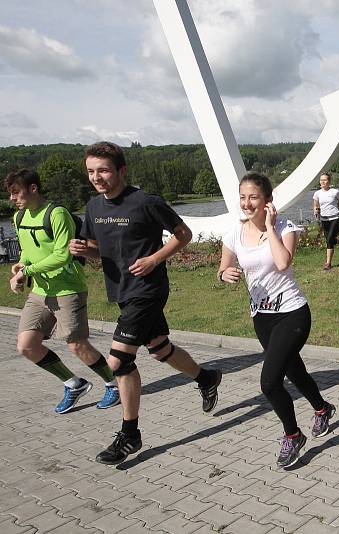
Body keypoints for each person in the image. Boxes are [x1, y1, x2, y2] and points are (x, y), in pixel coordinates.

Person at [69, 141, 223, 465]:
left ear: (121, 171)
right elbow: (101, 251)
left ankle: (130, 434)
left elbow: (184, 234)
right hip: (122, 291)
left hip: (149, 289)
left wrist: (154, 258)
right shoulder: (93, 208)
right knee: (159, 349)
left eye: (104, 170)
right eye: (91, 171)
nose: (97, 177)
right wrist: (86, 252)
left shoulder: (145, 202)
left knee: (119, 362)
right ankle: (206, 378)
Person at [218, 172, 336, 469]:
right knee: (294, 372)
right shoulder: (234, 233)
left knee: (270, 383)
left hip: (293, 314)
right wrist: (225, 274)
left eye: (253, 197)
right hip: (262, 318)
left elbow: (283, 262)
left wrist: (269, 226)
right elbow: (223, 266)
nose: (247, 203)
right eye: (243, 197)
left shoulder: (286, 227)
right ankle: (322, 408)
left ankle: (292, 435)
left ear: (267, 201)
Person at [6, 169, 119, 414]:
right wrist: (19, 269)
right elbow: (27, 250)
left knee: (76, 344)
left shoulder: (56, 214)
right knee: (26, 346)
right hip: (40, 291)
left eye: (16, 192)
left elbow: (62, 254)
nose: (12, 198)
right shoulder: (19, 217)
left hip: (68, 289)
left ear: (33, 188)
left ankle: (115, 383)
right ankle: (73, 384)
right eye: (10, 194)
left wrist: (28, 271)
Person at [312, 173, 339, 271]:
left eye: (325, 180)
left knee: (329, 240)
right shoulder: (317, 194)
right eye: (321, 180)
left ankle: (328, 263)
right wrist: (316, 211)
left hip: (336, 218)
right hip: (324, 219)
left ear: (329, 181)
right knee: (330, 239)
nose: (322, 182)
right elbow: (316, 205)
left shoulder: (335, 192)